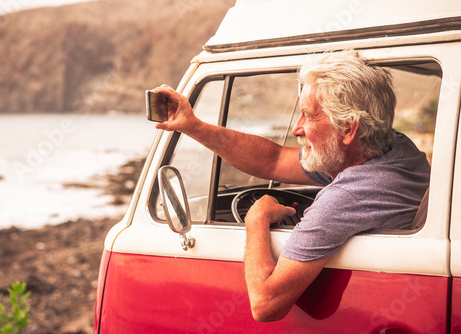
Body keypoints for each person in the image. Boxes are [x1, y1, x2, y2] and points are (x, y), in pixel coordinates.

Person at [152, 51, 430, 322]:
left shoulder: (345, 198)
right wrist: (194, 126)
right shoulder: (394, 148)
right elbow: (273, 160)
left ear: (348, 129)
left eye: (308, 115)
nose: (297, 129)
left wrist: (257, 219)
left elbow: (265, 305)